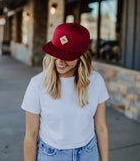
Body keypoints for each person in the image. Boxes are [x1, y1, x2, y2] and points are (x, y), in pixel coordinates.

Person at [21, 22, 109, 161]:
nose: (60, 61)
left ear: (82, 56)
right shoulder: (37, 84)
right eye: (56, 53)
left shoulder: (96, 81)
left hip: (89, 153)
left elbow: (101, 127)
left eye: (67, 56)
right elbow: (31, 135)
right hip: (52, 155)